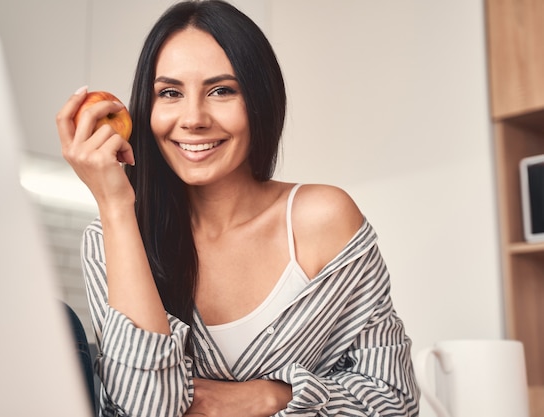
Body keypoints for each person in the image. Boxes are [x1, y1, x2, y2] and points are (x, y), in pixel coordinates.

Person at [56, 1, 420, 416]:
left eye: (222, 90)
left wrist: (271, 395)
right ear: (146, 107)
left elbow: (394, 400)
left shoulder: (322, 220)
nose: (193, 118)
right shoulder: (111, 237)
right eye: (170, 93)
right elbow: (145, 408)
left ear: (261, 101)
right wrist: (116, 204)